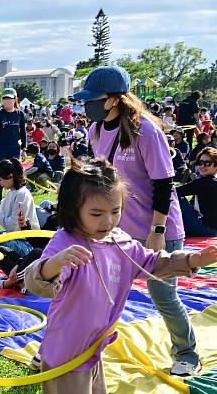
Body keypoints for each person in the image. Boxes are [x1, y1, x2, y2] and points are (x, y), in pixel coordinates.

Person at [23, 158, 217, 394]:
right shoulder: (66, 243)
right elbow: (36, 281)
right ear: (73, 210)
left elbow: (154, 263)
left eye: (115, 211)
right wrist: (54, 263)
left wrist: (193, 258)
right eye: (97, 214)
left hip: (93, 351)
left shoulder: (120, 242)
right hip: (66, 355)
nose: (108, 221)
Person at [81, 65, 199, 376]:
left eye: (92, 99)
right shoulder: (95, 131)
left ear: (114, 99)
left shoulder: (145, 130)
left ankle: (186, 352)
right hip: (119, 230)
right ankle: (79, 347)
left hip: (158, 228)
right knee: (99, 289)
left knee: (163, 293)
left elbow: (164, 184)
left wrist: (157, 231)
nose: (86, 105)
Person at [0, 158, 40, 232]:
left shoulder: (21, 194)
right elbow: (3, 215)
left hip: (23, 239)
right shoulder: (10, 192)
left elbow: (11, 226)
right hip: (12, 235)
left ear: (10, 177)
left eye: (0, 180)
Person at [0, 88, 27, 202]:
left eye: (9, 99)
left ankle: (16, 197)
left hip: (14, 147)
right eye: (4, 99)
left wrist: (24, 148)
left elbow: (23, 133)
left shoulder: (20, 114)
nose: (7, 101)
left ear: (15, 99)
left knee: (15, 172)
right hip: (1, 147)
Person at [177, 147, 217, 237]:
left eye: (207, 163)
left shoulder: (206, 182)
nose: (202, 166)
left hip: (206, 230)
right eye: (200, 163)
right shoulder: (211, 181)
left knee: (175, 198)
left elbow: (176, 192)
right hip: (211, 229)